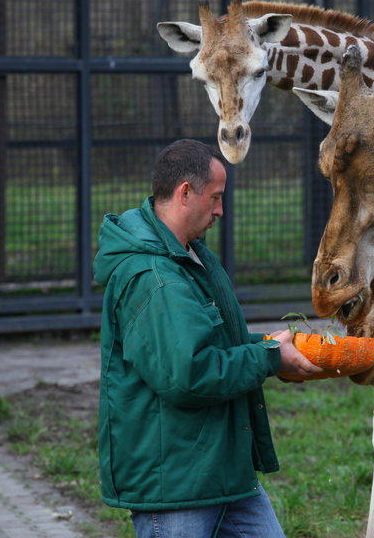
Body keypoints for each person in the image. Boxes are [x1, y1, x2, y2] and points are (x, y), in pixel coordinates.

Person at [92, 138, 322, 538]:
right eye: (215, 197)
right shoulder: (155, 279)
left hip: (223, 473)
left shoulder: (189, 254)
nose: (220, 210)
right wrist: (269, 358)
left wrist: (271, 347)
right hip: (177, 485)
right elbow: (191, 372)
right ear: (185, 193)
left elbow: (211, 343)